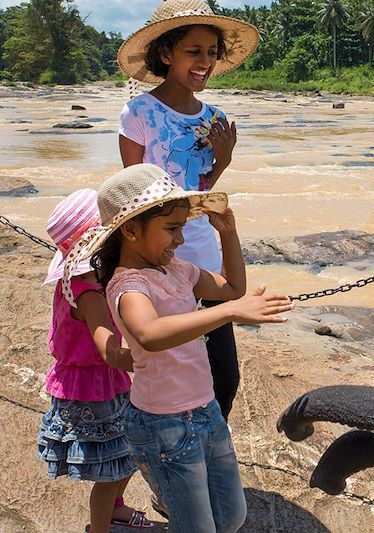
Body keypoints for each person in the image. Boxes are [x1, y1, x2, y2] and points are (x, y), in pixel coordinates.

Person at [61, 164, 294, 533]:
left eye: (183, 227)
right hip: (162, 426)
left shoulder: (178, 270)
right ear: (131, 230)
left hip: (206, 412)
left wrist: (229, 236)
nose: (180, 239)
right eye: (172, 228)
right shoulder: (128, 284)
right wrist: (232, 312)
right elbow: (151, 334)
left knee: (231, 517)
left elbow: (231, 287)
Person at [116, 0, 259, 421]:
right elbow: (137, 195)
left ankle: (209, 449)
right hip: (158, 256)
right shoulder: (139, 112)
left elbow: (196, 192)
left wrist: (223, 162)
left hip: (202, 250)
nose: (205, 62)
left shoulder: (213, 117)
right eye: (194, 51)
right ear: (166, 54)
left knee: (223, 377)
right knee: (168, 369)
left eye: (212, 53)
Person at [37, 189, 152, 533]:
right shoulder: (88, 294)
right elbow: (111, 352)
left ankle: (115, 509)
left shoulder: (87, 280)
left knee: (127, 454)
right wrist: (154, 358)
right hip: (91, 389)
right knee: (111, 470)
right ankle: (100, 528)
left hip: (107, 381)